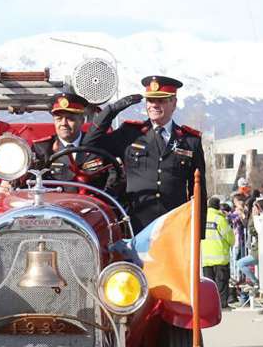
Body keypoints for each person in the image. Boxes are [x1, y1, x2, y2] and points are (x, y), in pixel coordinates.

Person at [83, 75, 207, 233]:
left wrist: (198, 233)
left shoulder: (190, 141)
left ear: (174, 103)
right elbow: (90, 143)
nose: (154, 105)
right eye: (150, 100)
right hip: (138, 225)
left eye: (161, 100)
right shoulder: (130, 134)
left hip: (174, 227)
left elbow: (199, 190)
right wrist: (111, 110)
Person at [31, 93, 108, 189]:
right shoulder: (42, 149)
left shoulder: (98, 145)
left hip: (92, 202)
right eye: (59, 119)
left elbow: (113, 176)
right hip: (54, 202)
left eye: (70, 119)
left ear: (82, 121)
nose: (63, 123)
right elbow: (30, 181)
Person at [202, 197, 235, 308]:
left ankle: (209, 306)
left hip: (205, 258)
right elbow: (229, 237)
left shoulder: (202, 218)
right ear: (218, 206)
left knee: (209, 285)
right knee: (221, 284)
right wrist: (231, 243)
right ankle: (221, 305)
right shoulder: (220, 219)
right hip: (220, 257)